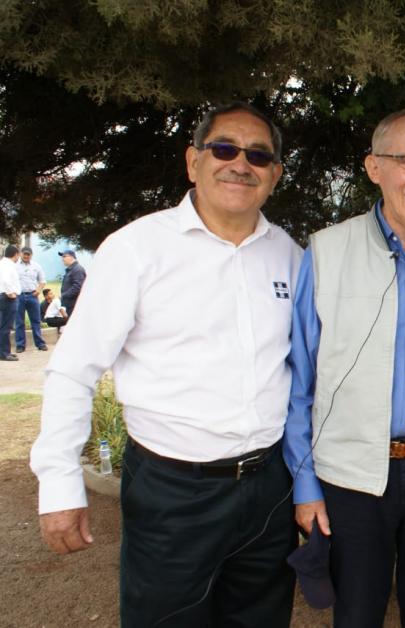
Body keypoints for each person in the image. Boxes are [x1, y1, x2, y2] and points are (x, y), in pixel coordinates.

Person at [30, 102, 302, 627]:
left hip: (268, 490)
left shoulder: (287, 254)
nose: (239, 163)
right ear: (192, 161)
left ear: (275, 174)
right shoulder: (136, 249)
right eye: (224, 148)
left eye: (258, 155)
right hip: (174, 493)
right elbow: (74, 369)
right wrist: (60, 483)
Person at [285, 105, 405, 627]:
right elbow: (299, 383)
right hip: (351, 479)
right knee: (357, 615)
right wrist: (305, 488)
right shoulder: (326, 252)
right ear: (374, 168)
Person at [15, 246, 49, 352]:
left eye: (28, 254)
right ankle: (20, 345)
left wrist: (38, 290)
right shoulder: (15, 266)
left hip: (32, 296)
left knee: (36, 321)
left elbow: (42, 281)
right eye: (24, 254)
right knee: (19, 322)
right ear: (21, 254)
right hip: (19, 296)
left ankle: (40, 344)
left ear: (31, 255)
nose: (26, 256)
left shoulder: (36, 266)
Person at [0, 244, 22, 361]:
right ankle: (4, 353)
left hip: (4, 296)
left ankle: (4, 351)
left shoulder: (3, 263)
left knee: (3, 325)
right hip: (8, 298)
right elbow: (6, 280)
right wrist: (10, 293)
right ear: (16, 254)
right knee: (6, 326)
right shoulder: (8, 265)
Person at [58, 249, 86, 316]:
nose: (62, 259)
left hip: (75, 305)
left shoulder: (77, 269)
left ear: (72, 257)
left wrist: (64, 295)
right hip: (70, 304)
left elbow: (78, 287)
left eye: (64, 256)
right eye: (62, 257)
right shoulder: (71, 269)